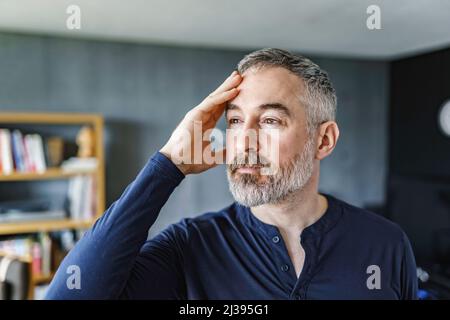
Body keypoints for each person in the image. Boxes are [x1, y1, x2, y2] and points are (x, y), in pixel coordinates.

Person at [46, 48, 417, 300]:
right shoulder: (190, 247)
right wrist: (167, 165)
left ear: (324, 140)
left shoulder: (385, 244)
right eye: (236, 121)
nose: (245, 141)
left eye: (270, 120)